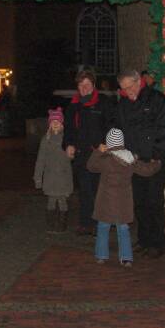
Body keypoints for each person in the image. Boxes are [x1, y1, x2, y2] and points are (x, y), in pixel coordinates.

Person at [114, 69, 165, 258]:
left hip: (153, 161)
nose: (128, 91)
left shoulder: (158, 100)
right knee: (139, 202)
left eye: (130, 87)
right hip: (133, 161)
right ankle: (144, 239)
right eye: (124, 89)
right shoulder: (123, 104)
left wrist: (157, 156)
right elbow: (119, 129)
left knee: (154, 201)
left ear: (139, 81)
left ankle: (157, 243)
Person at [87, 128, 160, 267]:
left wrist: (98, 151)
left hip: (106, 201)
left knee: (103, 227)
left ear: (108, 143)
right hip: (123, 202)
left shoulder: (105, 160)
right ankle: (126, 258)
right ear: (122, 142)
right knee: (123, 229)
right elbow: (146, 170)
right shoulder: (130, 159)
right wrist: (157, 163)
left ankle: (101, 256)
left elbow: (90, 166)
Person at [64, 68, 114, 236]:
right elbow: (69, 128)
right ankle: (86, 222)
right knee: (85, 190)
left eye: (87, 84)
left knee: (100, 189)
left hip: (99, 153)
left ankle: (102, 223)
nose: (84, 88)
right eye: (80, 85)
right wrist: (69, 144)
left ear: (93, 84)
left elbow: (111, 125)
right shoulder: (74, 105)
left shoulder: (103, 102)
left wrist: (105, 144)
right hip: (81, 154)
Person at [33, 107, 73, 233]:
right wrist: (38, 178)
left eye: (58, 121)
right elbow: (40, 160)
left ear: (62, 124)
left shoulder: (67, 140)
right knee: (51, 200)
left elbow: (72, 156)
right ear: (49, 124)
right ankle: (51, 224)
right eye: (53, 122)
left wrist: (71, 155)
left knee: (62, 200)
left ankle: (61, 225)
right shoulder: (46, 140)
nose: (55, 124)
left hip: (63, 177)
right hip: (50, 177)